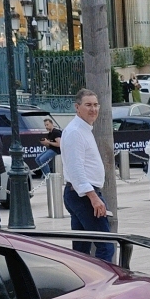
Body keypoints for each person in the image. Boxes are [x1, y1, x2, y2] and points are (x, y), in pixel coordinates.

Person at [59, 86, 115, 261]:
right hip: (83, 196)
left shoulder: (82, 129)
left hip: (81, 194)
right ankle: (102, 285)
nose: (93, 109)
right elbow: (76, 169)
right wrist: (93, 197)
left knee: (81, 250)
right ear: (77, 107)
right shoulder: (75, 132)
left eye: (96, 105)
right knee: (106, 245)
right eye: (88, 105)